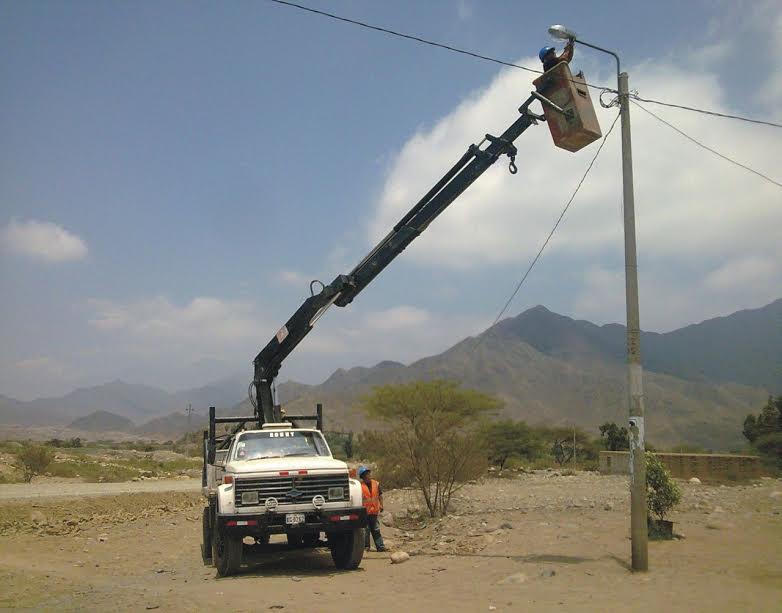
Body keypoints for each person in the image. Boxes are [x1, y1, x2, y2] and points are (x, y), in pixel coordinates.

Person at [358, 465, 386, 552]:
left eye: (368, 474)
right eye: (365, 474)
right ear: (362, 476)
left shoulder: (376, 484)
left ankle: (380, 547)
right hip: (365, 512)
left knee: (376, 530)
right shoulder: (360, 486)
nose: (367, 476)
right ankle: (366, 547)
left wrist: (381, 505)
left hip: (374, 511)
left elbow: (380, 495)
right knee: (366, 531)